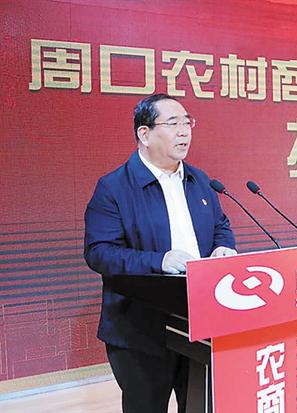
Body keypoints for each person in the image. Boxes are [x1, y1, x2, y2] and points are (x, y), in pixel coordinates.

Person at [84, 93, 236, 413]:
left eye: (187, 122)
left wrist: (224, 247)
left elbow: (220, 225)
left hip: (199, 322)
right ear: (145, 134)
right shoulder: (113, 188)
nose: (184, 131)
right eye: (173, 123)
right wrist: (159, 261)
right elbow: (99, 253)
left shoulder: (200, 180)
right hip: (141, 329)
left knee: (200, 405)